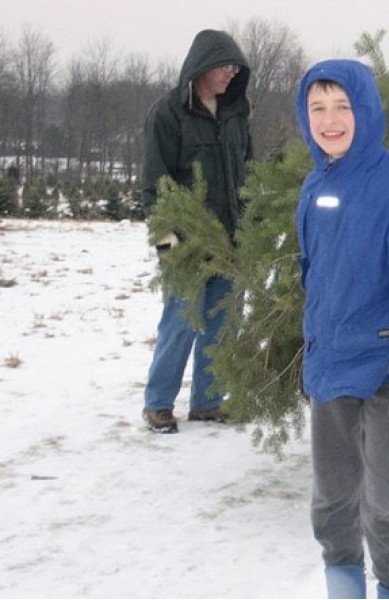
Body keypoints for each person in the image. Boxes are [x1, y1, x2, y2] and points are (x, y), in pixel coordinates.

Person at [294, 59, 389, 599]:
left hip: (387, 371)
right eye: (318, 108)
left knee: (385, 503)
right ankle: (343, 588)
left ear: (366, 111)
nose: (330, 120)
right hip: (332, 366)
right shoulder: (314, 187)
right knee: (332, 501)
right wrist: (311, 352)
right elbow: (313, 276)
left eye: (343, 106)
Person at [140, 29, 252, 433]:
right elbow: (154, 187)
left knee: (223, 321)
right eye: (223, 66)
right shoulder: (168, 114)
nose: (229, 74)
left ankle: (208, 402)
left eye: (235, 67)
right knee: (181, 322)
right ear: (201, 67)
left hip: (229, 243)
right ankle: (158, 404)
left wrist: (250, 231)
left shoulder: (237, 114)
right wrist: (168, 247)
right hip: (185, 244)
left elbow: (248, 174)